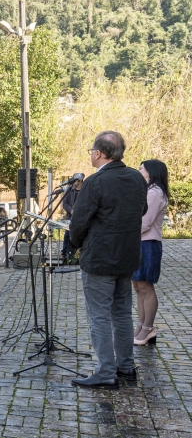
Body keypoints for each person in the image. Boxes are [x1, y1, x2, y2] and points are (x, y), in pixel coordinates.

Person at [69, 131, 147, 389]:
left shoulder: (95, 182)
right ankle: (126, 367)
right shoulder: (136, 178)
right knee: (122, 313)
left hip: (100, 259)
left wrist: (77, 245)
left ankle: (105, 372)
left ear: (99, 153)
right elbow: (143, 210)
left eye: (91, 151)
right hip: (127, 257)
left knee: (99, 316)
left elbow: (78, 222)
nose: (91, 155)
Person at [132, 159, 169, 346]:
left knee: (146, 287)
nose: (138, 170)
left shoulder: (155, 192)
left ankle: (148, 328)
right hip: (139, 242)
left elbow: (145, 222)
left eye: (141, 168)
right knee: (138, 287)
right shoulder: (148, 190)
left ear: (151, 171)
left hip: (148, 244)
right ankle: (140, 325)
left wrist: (126, 233)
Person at [61, 175, 84, 263]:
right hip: (70, 217)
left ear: (80, 180)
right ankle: (65, 255)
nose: (73, 182)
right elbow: (65, 203)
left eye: (75, 180)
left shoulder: (85, 190)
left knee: (81, 237)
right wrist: (71, 210)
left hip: (82, 218)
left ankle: (78, 256)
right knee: (67, 236)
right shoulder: (69, 190)